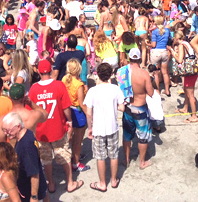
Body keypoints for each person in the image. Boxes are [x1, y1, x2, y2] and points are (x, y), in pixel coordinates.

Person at [27, 59, 83, 193]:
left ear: (39, 72)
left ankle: (51, 183)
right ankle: (70, 183)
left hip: (42, 131)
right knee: (64, 155)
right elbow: (66, 107)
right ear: (51, 71)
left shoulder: (34, 88)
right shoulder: (59, 85)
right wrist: (69, 121)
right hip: (58, 128)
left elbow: (31, 111)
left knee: (46, 159)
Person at [84, 62, 125, 192]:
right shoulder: (116, 89)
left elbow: (89, 113)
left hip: (98, 128)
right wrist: (114, 105)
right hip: (112, 126)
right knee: (114, 155)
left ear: (98, 75)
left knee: (100, 156)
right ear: (110, 75)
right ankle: (113, 180)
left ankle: (102, 183)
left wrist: (90, 128)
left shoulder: (92, 91)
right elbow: (122, 107)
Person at [1, 112, 48, 202]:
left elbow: (34, 173)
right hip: (30, 187)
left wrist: (34, 197)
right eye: (4, 130)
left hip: (30, 191)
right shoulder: (27, 133)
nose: (6, 133)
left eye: (8, 130)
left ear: (18, 127)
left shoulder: (26, 146)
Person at [122, 48, 155, 169]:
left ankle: (126, 160)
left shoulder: (123, 72)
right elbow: (151, 93)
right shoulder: (144, 74)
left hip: (128, 107)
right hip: (140, 108)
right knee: (142, 137)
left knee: (127, 135)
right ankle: (142, 162)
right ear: (140, 59)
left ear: (129, 58)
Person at [61, 59, 89, 172]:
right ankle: (76, 163)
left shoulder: (64, 79)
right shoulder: (79, 85)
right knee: (78, 140)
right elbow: (82, 104)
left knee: (71, 138)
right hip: (78, 112)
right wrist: (90, 115)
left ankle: (72, 157)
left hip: (67, 110)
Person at [168, 30, 198, 123]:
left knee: (190, 94)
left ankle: (194, 116)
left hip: (189, 71)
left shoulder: (181, 45)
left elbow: (180, 60)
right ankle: (185, 108)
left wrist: (172, 51)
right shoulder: (187, 43)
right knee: (186, 89)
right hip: (192, 69)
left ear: (177, 38)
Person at [150, 15, 172, 96]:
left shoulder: (155, 31)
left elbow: (153, 44)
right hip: (164, 51)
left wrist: (148, 44)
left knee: (155, 73)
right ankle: (167, 90)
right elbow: (170, 40)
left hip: (156, 52)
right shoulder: (167, 30)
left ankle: (157, 91)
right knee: (165, 73)